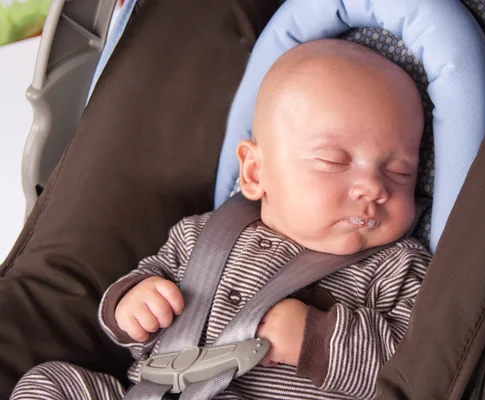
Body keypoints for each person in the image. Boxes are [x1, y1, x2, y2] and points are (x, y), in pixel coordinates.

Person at [11, 38, 430, 400]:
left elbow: (416, 370)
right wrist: (131, 305)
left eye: (399, 173)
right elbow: (147, 284)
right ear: (254, 172)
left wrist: (315, 338)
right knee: (51, 381)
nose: (374, 188)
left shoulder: (398, 268)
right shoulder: (200, 235)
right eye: (334, 161)